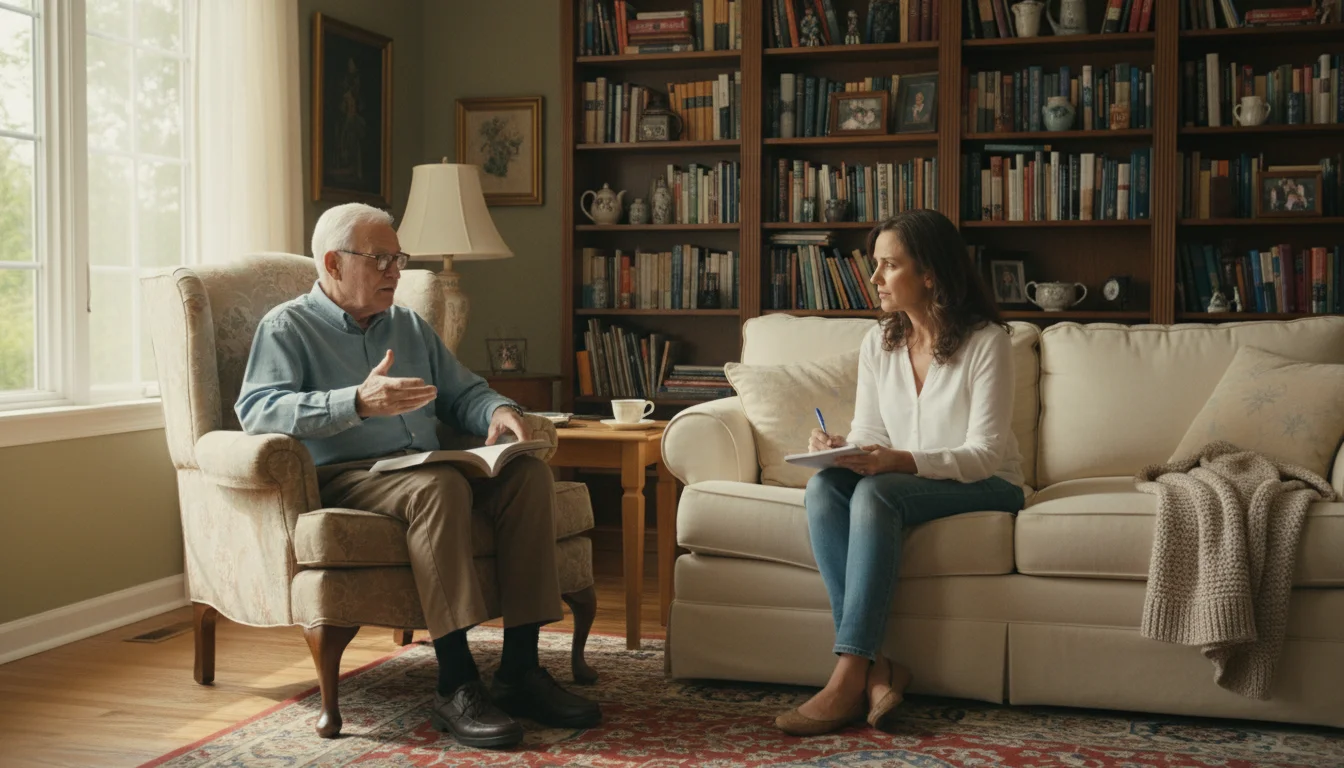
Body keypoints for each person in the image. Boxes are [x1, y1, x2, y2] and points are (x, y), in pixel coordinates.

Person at [235, 202, 601, 749]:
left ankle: (520, 671)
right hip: (352, 473)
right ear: (334, 263)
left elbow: (464, 391)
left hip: (424, 465)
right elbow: (258, 410)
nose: (395, 271)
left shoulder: (407, 324)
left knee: (526, 475)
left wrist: (498, 411)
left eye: (397, 258)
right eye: (380, 259)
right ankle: (456, 684)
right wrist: (354, 402)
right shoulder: (287, 326)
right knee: (440, 487)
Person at [774, 209, 1026, 736]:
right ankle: (879, 667)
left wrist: (896, 462)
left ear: (929, 273)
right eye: (876, 265)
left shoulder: (988, 342)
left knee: (877, 496)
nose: (874, 279)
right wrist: (844, 448)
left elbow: (983, 452)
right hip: (906, 479)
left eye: (889, 266)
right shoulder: (879, 343)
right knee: (825, 488)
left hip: (988, 483)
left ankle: (849, 676)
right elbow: (876, 434)